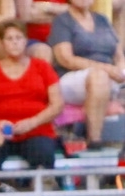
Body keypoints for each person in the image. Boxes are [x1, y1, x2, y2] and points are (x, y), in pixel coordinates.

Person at [0, 20, 63, 172]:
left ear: (26, 40)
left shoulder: (42, 67)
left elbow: (57, 104)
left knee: (42, 152)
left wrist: (31, 122)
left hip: (36, 130)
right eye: (9, 39)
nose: (15, 42)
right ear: (2, 43)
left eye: (18, 38)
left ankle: (42, 185)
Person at [49, 0, 125, 150]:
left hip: (109, 74)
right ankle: (94, 139)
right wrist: (106, 69)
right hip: (73, 77)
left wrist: (120, 71)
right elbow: (66, 59)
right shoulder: (62, 21)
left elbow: (118, 55)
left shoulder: (102, 20)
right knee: (99, 77)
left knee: (104, 77)